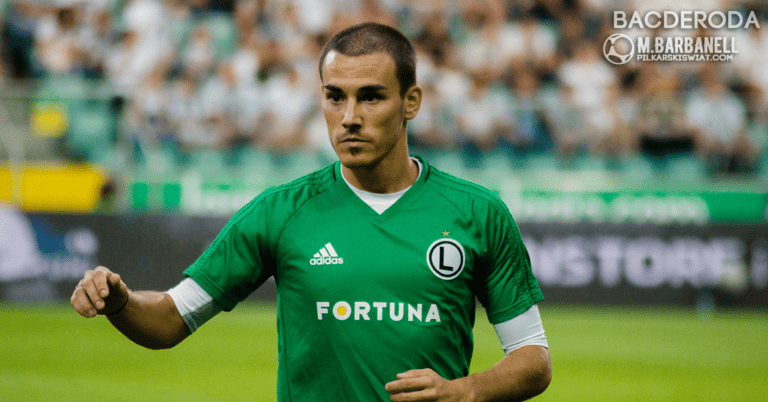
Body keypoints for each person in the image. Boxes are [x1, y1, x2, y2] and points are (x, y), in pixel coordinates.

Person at [71, 22, 552, 401]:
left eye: (371, 96)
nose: (350, 117)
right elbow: (170, 319)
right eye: (334, 96)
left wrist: (466, 391)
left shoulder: (478, 213)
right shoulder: (280, 212)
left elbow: (532, 358)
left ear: (411, 102)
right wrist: (121, 302)